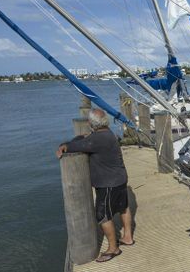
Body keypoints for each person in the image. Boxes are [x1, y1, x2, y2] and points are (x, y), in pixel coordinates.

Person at [56, 108, 134, 263]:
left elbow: (77, 146)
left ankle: (113, 248)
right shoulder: (108, 134)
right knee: (123, 207)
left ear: (91, 124)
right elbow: (87, 141)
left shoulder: (97, 139)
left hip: (108, 183)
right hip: (120, 178)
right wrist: (84, 138)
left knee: (103, 215)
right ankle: (128, 237)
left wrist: (64, 145)